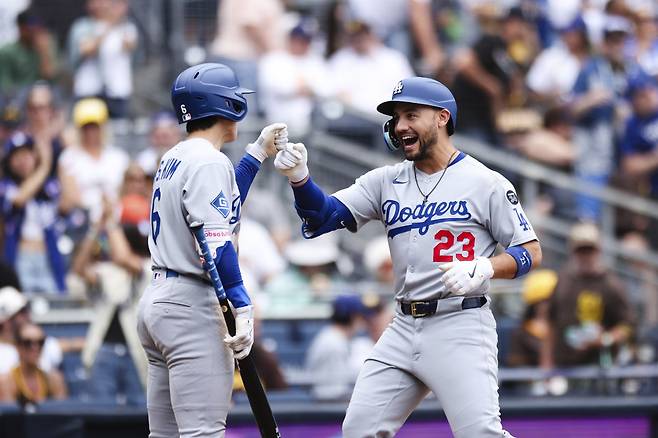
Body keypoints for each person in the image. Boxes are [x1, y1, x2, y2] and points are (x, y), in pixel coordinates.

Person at [274, 77, 542, 437]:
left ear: (442, 118)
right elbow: (323, 216)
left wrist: (485, 266)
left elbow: (530, 252)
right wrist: (301, 179)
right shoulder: (386, 181)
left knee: (480, 434)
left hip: (459, 323)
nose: (400, 127)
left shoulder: (486, 182)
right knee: (358, 431)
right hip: (402, 326)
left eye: (411, 115)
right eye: (397, 118)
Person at [136, 63, 287, 437]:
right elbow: (219, 248)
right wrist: (244, 306)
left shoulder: (176, 155)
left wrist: (256, 154)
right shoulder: (209, 161)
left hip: (159, 299)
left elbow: (220, 209)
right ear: (225, 104)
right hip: (190, 306)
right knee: (203, 433)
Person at [540, 222, 634, 369]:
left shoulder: (611, 284)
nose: (585, 255)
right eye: (580, 250)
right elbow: (550, 322)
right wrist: (546, 363)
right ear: (573, 251)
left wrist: (605, 339)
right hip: (564, 366)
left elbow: (627, 325)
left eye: (589, 250)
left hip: (600, 367)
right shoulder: (563, 281)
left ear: (598, 250)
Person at [0, 132, 66, 293]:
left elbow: (67, 205)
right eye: (16, 155)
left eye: (27, 154)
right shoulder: (5, 187)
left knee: (56, 306)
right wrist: (44, 167)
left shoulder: (49, 187)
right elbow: (19, 199)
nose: (22, 160)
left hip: (49, 257)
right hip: (21, 258)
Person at [58, 98, 130, 224]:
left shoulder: (119, 157)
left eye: (95, 126)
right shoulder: (68, 157)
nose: (91, 132)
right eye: (86, 127)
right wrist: (99, 206)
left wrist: (109, 206)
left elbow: (125, 192)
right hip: (82, 222)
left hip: (116, 220)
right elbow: (70, 195)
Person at [306, 294, 368, 400]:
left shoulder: (333, 337)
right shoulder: (334, 343)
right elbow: (331, 393)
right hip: (326, 410)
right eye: (360, 316)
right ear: (353, 317)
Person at [0, 322, 67, 406]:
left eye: (40, 342)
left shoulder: (54, 380)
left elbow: (62, 414)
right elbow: (9, 417)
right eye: (27, 343)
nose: (35, 347)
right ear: (17, 346)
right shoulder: (7, 381)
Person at [0, 10, 58, 93]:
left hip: (41, 96)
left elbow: (51, 80)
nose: (35, 30)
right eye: (31, 27)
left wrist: (44, 53)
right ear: (21, 28)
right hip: (17, 98)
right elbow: (6, 87)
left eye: (37, 26)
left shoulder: (43, 49)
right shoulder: (7, 52)